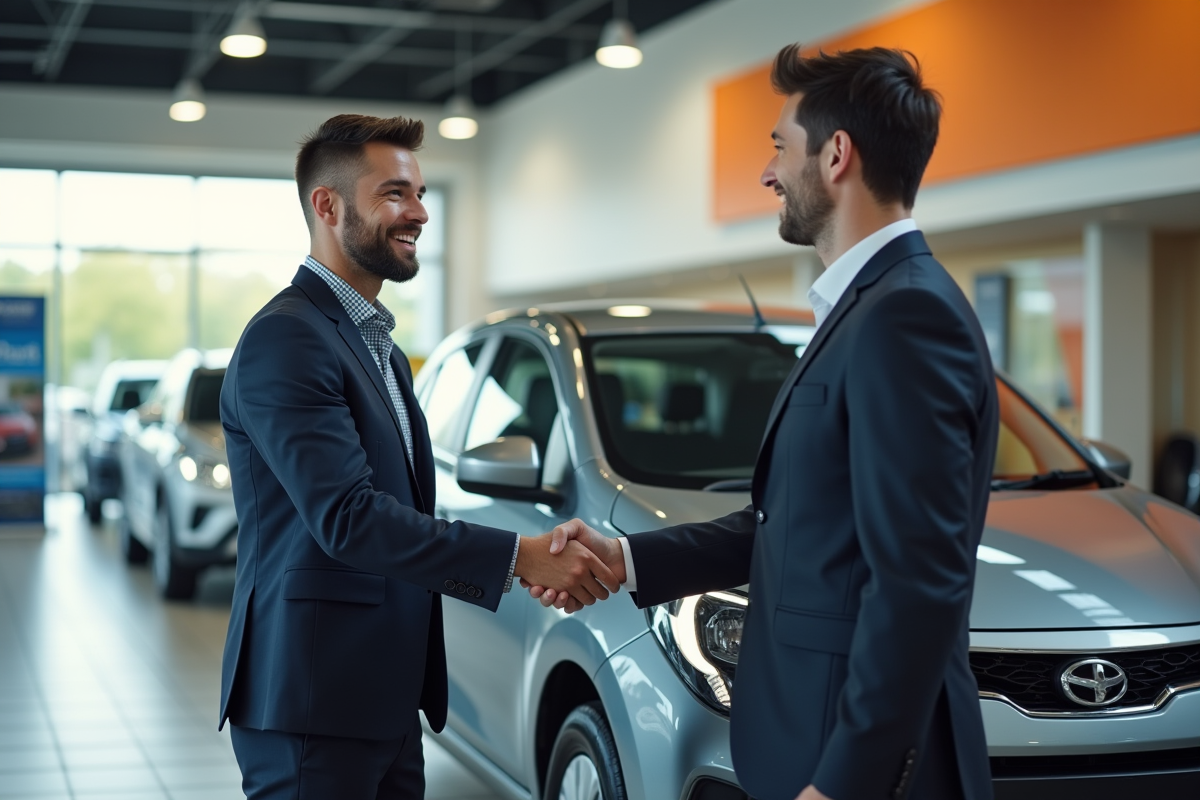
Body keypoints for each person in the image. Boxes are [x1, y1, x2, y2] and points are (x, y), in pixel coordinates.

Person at [527, 45, 999, 800]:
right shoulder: (869, 308)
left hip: (859, 769)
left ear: (837, 155)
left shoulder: (903, 315)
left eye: (780, 146)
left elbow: (917, 585)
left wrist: (845, 783)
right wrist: (625, 560)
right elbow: (790, 525)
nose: (767, 172)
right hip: (813, 746)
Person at [217, 114, 619, 800]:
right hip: (315, 701)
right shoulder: (287, 341)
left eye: (422, 193)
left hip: (385, 698)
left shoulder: (381, 349)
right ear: (327, 205)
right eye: (396, 194)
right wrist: (521, 558)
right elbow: (348, 517)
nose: (420, 213)